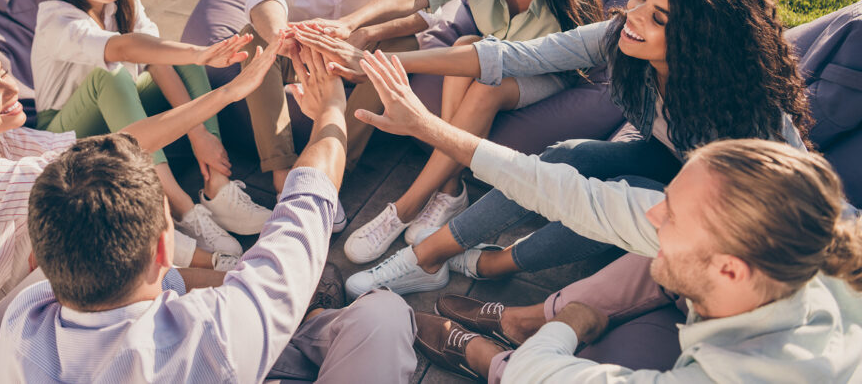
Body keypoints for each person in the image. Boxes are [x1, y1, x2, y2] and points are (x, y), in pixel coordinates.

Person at [296, 0, 812, 296]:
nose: (634, 16)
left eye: (660, 18)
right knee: (567, 155)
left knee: (613, 191)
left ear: (701, 45)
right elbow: (514, 57)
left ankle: (489, 264)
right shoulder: (621, 37)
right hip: (674, 155)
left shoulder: (745, 123)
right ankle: (429, 259)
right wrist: (378, 63)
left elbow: (783, 220)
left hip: (733, 220)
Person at [356, 52, 862, 382]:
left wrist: (570, 325)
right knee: (639, 234)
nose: (653, 211)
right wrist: (430, 127)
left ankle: (486, 356)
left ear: (732, 270)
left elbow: (542, 375)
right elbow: (576, 196)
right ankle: (517, 317)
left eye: (673, 213)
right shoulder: (796, 246)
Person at [0, 48, 418, 383]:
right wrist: (330, 109)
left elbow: (172, 283)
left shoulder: (22, 321)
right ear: (167, 247)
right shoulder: (214, 332)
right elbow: (305, 205)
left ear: (40, 261)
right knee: (383, 313)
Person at [0, 36, 280, 375]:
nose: (13, 89)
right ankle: (245, 293)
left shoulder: (3, 140)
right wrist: (229, 93)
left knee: (85, 224)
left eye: (3, 74)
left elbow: (98, 149)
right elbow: (118, 146)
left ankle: (225, 277)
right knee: (97, 249)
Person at [315, 0, 603, 264]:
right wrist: (351, 23)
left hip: (547, 71)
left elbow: (503, 60)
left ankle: (403, 208)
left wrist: (375, 62)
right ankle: (451, 188)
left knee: (486, 88)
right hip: (488, 54)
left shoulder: (561, 1)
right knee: (467, 40)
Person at [33, 0, 272, 262]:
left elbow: (158, 60)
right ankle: (181, 208)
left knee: (178, 57)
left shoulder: (122, 0)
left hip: (122, 116)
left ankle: (217, 187)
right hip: (65, 133)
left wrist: (199, 134)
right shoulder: (57, 21)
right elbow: (124, 50)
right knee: (113, 75)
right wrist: (199, 53)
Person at [240, 0, 420, 208]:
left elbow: (423, 9)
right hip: (299, 57)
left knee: (405, 45)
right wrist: (287, 41)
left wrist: (364, 32)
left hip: (358, 58)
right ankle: (283, 178)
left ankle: (332, 172)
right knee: (253, 39)